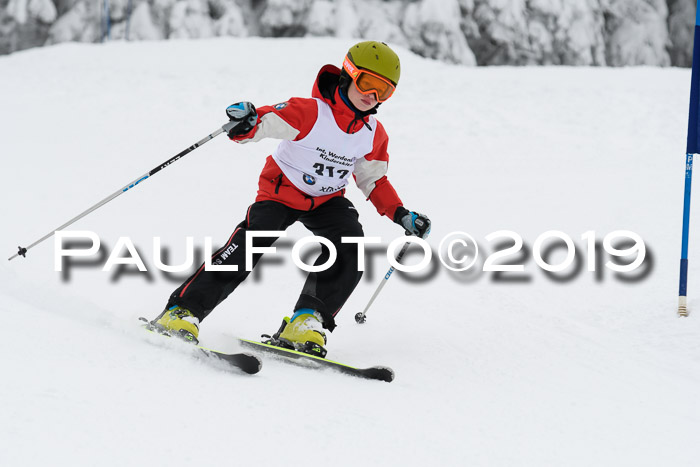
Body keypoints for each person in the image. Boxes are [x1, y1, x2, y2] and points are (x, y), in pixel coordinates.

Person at [152, 40, 431, 354]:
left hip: (326, 199)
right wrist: (247, 122)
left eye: (384, 90)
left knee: (352, 245)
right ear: (349, 74)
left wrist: (400, 213)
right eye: (367, 83)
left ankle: (306, 321)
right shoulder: (311, 112)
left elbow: (373, 179)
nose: (372, 96)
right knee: (251, 242)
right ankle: (182, 311)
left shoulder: (373, 134)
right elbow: (268, 121)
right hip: (281, 190)